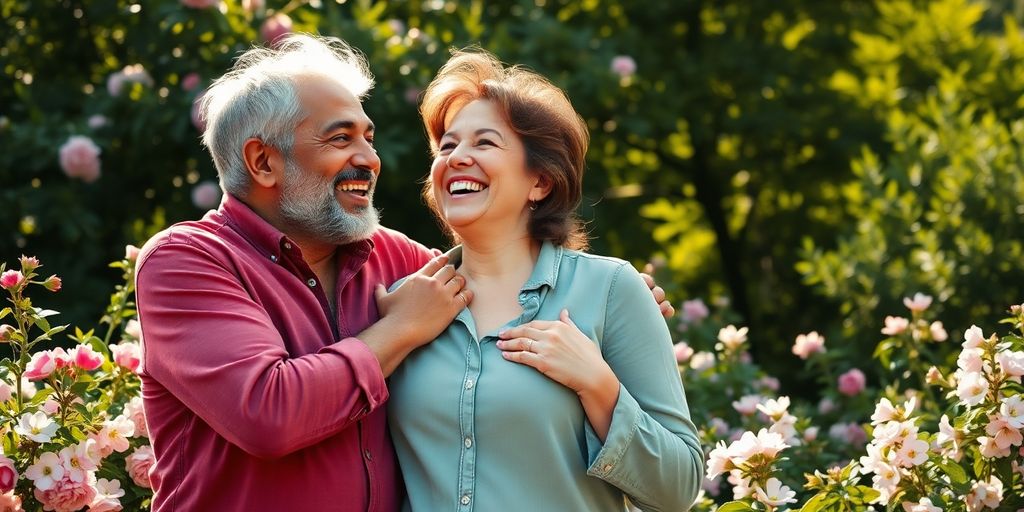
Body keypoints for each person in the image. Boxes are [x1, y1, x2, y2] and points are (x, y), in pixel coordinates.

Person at [135, 34, 674, 511]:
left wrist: (615, 298)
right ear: (263, 162)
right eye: (340, 138)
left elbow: (499, 267)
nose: (370, 158)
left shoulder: (397, 261)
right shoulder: (188, 262)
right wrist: (397, 331)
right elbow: (267, 414)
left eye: (368, 137)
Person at [386, 49, 704, 511]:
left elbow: (679, 489)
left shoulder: (612, 290)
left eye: (484, 143)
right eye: (448, 146)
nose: (457, 158)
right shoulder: (404, 304)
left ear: (540, 182)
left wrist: (598, 385)